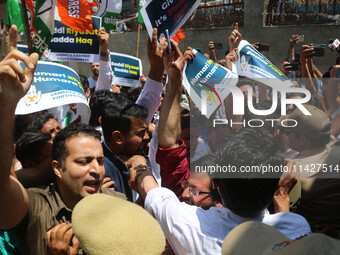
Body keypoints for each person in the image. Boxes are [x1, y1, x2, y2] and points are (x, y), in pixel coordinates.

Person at [130, 40, 311, 255]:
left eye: (196, 190)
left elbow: (154, 178)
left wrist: (140, 165)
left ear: (215, 182)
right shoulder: (297, 229)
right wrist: (281, 198)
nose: (188, 194)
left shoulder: (189, 224)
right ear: (277, 183)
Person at [0, 25, 125, 254]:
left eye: (99, 160)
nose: (96, 170)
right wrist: (6, 104)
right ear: (57, 168)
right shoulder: (35, 206)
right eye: (83, 161)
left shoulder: (119, 204)